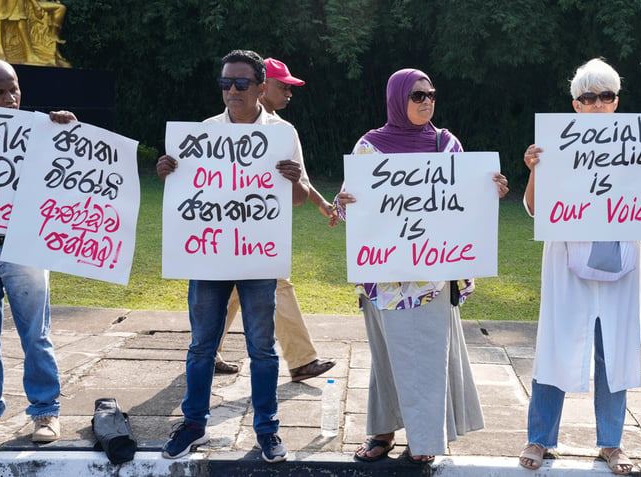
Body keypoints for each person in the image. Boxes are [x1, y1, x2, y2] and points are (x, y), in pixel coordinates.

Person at [519, 58, 641, 475]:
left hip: (623, 261)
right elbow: (533, 208)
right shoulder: (555, 145)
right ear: (576, 104)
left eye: (606, 96)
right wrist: (533, 171)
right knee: (556, 341)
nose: (597, 104)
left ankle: (612, 442)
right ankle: (539, 437)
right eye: (588, 97)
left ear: (617, 101)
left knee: (614, 348)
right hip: (566, 260)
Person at [335, 68, 509, 463]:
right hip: (386, 278)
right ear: (397, 98)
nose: (427, 100)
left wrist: (490, 192)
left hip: (432, 276)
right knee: (386, 358)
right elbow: (350, 212)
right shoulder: (370, 147)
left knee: (427, 356)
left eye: (431, 94)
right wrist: (343, 204)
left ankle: (424, 440)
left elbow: (466, 201)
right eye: (417, 95)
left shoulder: (446, 144)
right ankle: (382, 432)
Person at [155, 49, 310, 463]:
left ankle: (267, 430)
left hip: (258, 255)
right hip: (209, 255)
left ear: (261, 88)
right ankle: (192, 424)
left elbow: (296, 200)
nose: (232, 91)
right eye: (225, 83)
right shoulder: (203, 132)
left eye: (241, 83)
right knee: (201, 345)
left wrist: (294, 181)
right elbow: (186, 193)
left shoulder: (282, 133)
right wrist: (167, 171)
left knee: (262, 347)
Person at [0, 58, 76, 443]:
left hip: (27, 245)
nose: (9, 98)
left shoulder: (39, 129)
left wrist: (66, 130)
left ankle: (45, 413)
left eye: (14, 89)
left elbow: (71, 168)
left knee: (36, 334)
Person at [214, 57, 335, 382]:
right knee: (260, 287)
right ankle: (300, 361)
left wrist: (320, 201)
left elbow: (300, 183)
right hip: (222, 231)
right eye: (285, 86)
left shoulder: (282, 132)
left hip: (261, 232)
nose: (289, 93)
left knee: (234, 292)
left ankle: (208, 351)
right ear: (264, 88)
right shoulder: (213, 128)